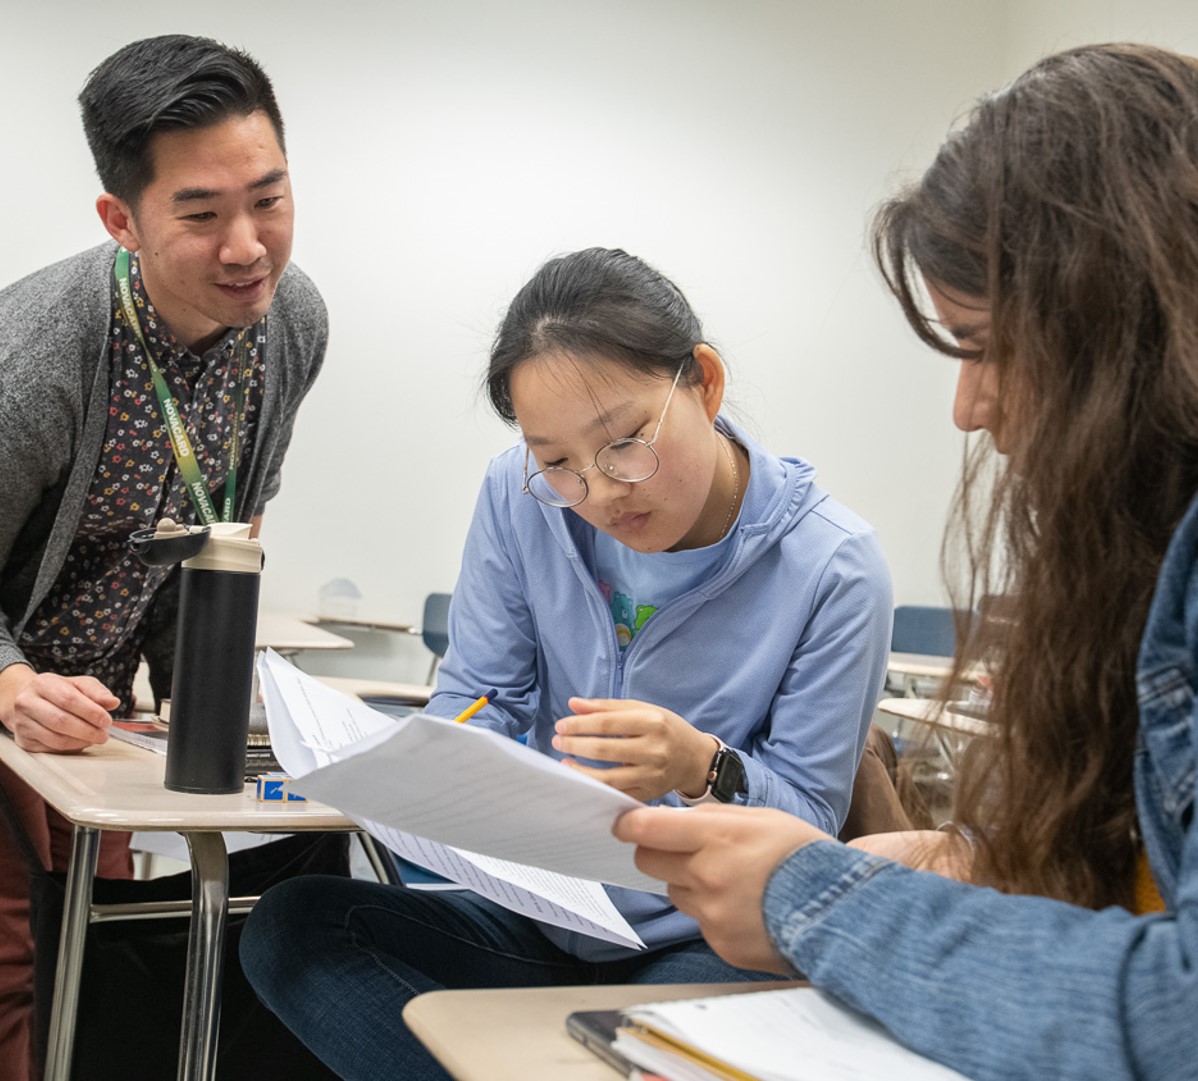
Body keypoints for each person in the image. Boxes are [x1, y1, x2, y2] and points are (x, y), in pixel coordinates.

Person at [615, 42, 1198, 1081]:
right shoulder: (1146, 553)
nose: (969, 409)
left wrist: (821, 896)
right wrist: (964, 860)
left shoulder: (834, 555)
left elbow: (1177, 1014)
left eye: (982, 343)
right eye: (553, 463)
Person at [240, 247, 892, 1079]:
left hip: (707, 939)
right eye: (556, 461)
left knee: (639, 1055)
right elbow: (479, 699)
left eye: (623, 443)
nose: (600, 490)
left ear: (704, 382)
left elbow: (804, 816)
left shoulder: (835, 565)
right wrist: (406, 770)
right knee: (293, 927)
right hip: (541, 910)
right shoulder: (519, 500)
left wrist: (703, 765)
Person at [0, 35, 327, 1081]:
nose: (248, 246)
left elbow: (226, 530)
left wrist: (205, 713)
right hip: (16, 696)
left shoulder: (291, 325)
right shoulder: (41, 358)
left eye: (268, 198)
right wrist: (11, 685)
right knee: (15, 970)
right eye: (201, 214)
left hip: (90, 721)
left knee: (79, 953)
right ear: (122, 220)